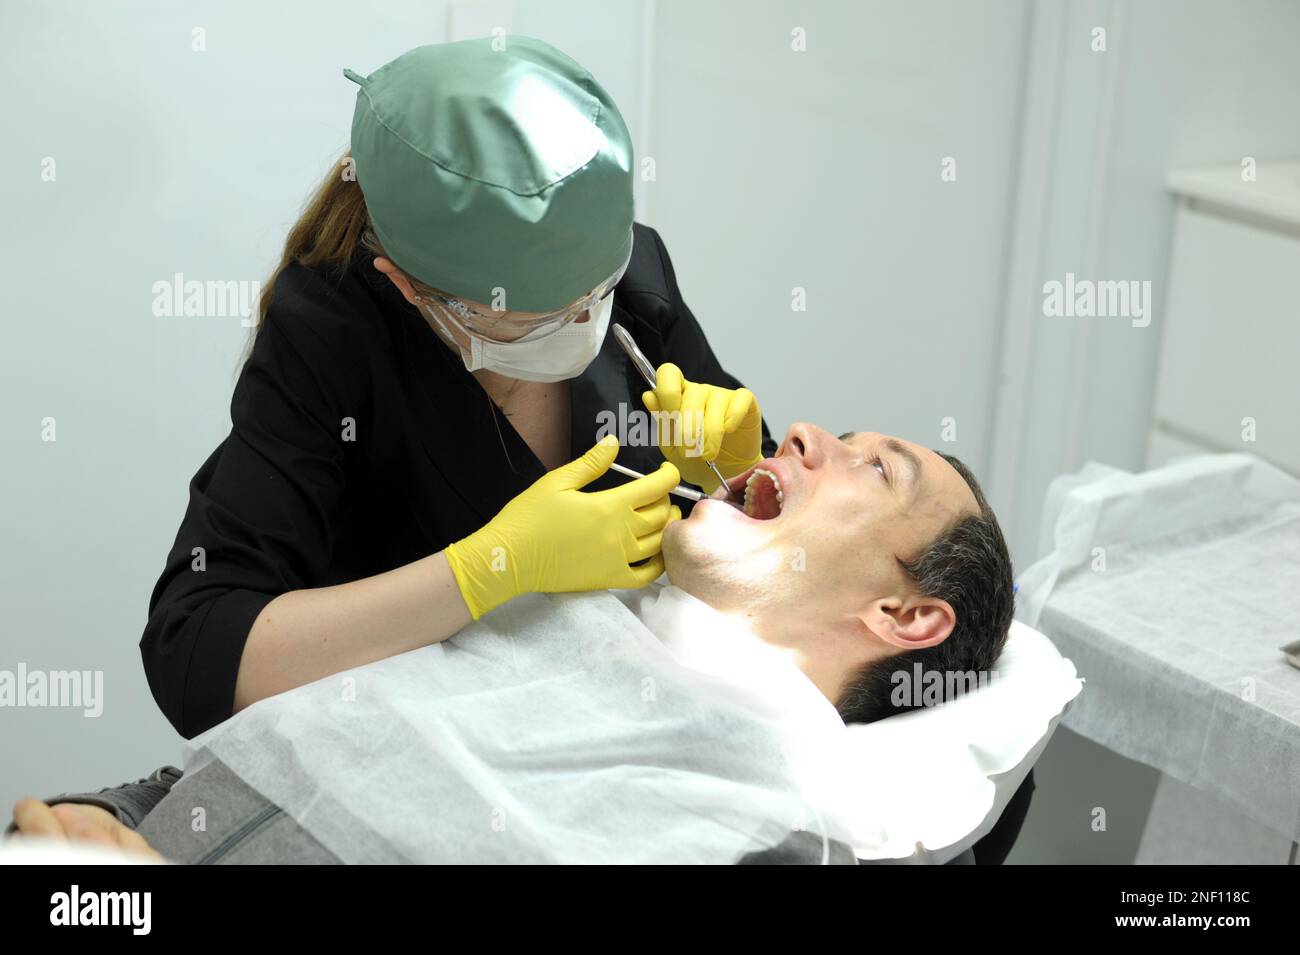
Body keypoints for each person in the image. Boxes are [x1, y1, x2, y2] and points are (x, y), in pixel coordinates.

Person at [140, 36, 775, 740]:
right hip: (399, 759)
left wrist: (741, 471)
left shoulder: (628, 273)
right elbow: (195, 649)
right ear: (408, 287)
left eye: (595, 293)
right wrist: (483, 571)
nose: (588, 323)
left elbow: (779, 545)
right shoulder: (333, 337)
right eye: (539, 318)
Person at [9, 424, 1015, 864]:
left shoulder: (767, 829)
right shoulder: (552, 612)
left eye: (872, 471)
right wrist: (86, 820)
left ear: (907, 619)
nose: (803, 432)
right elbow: (226, 769)